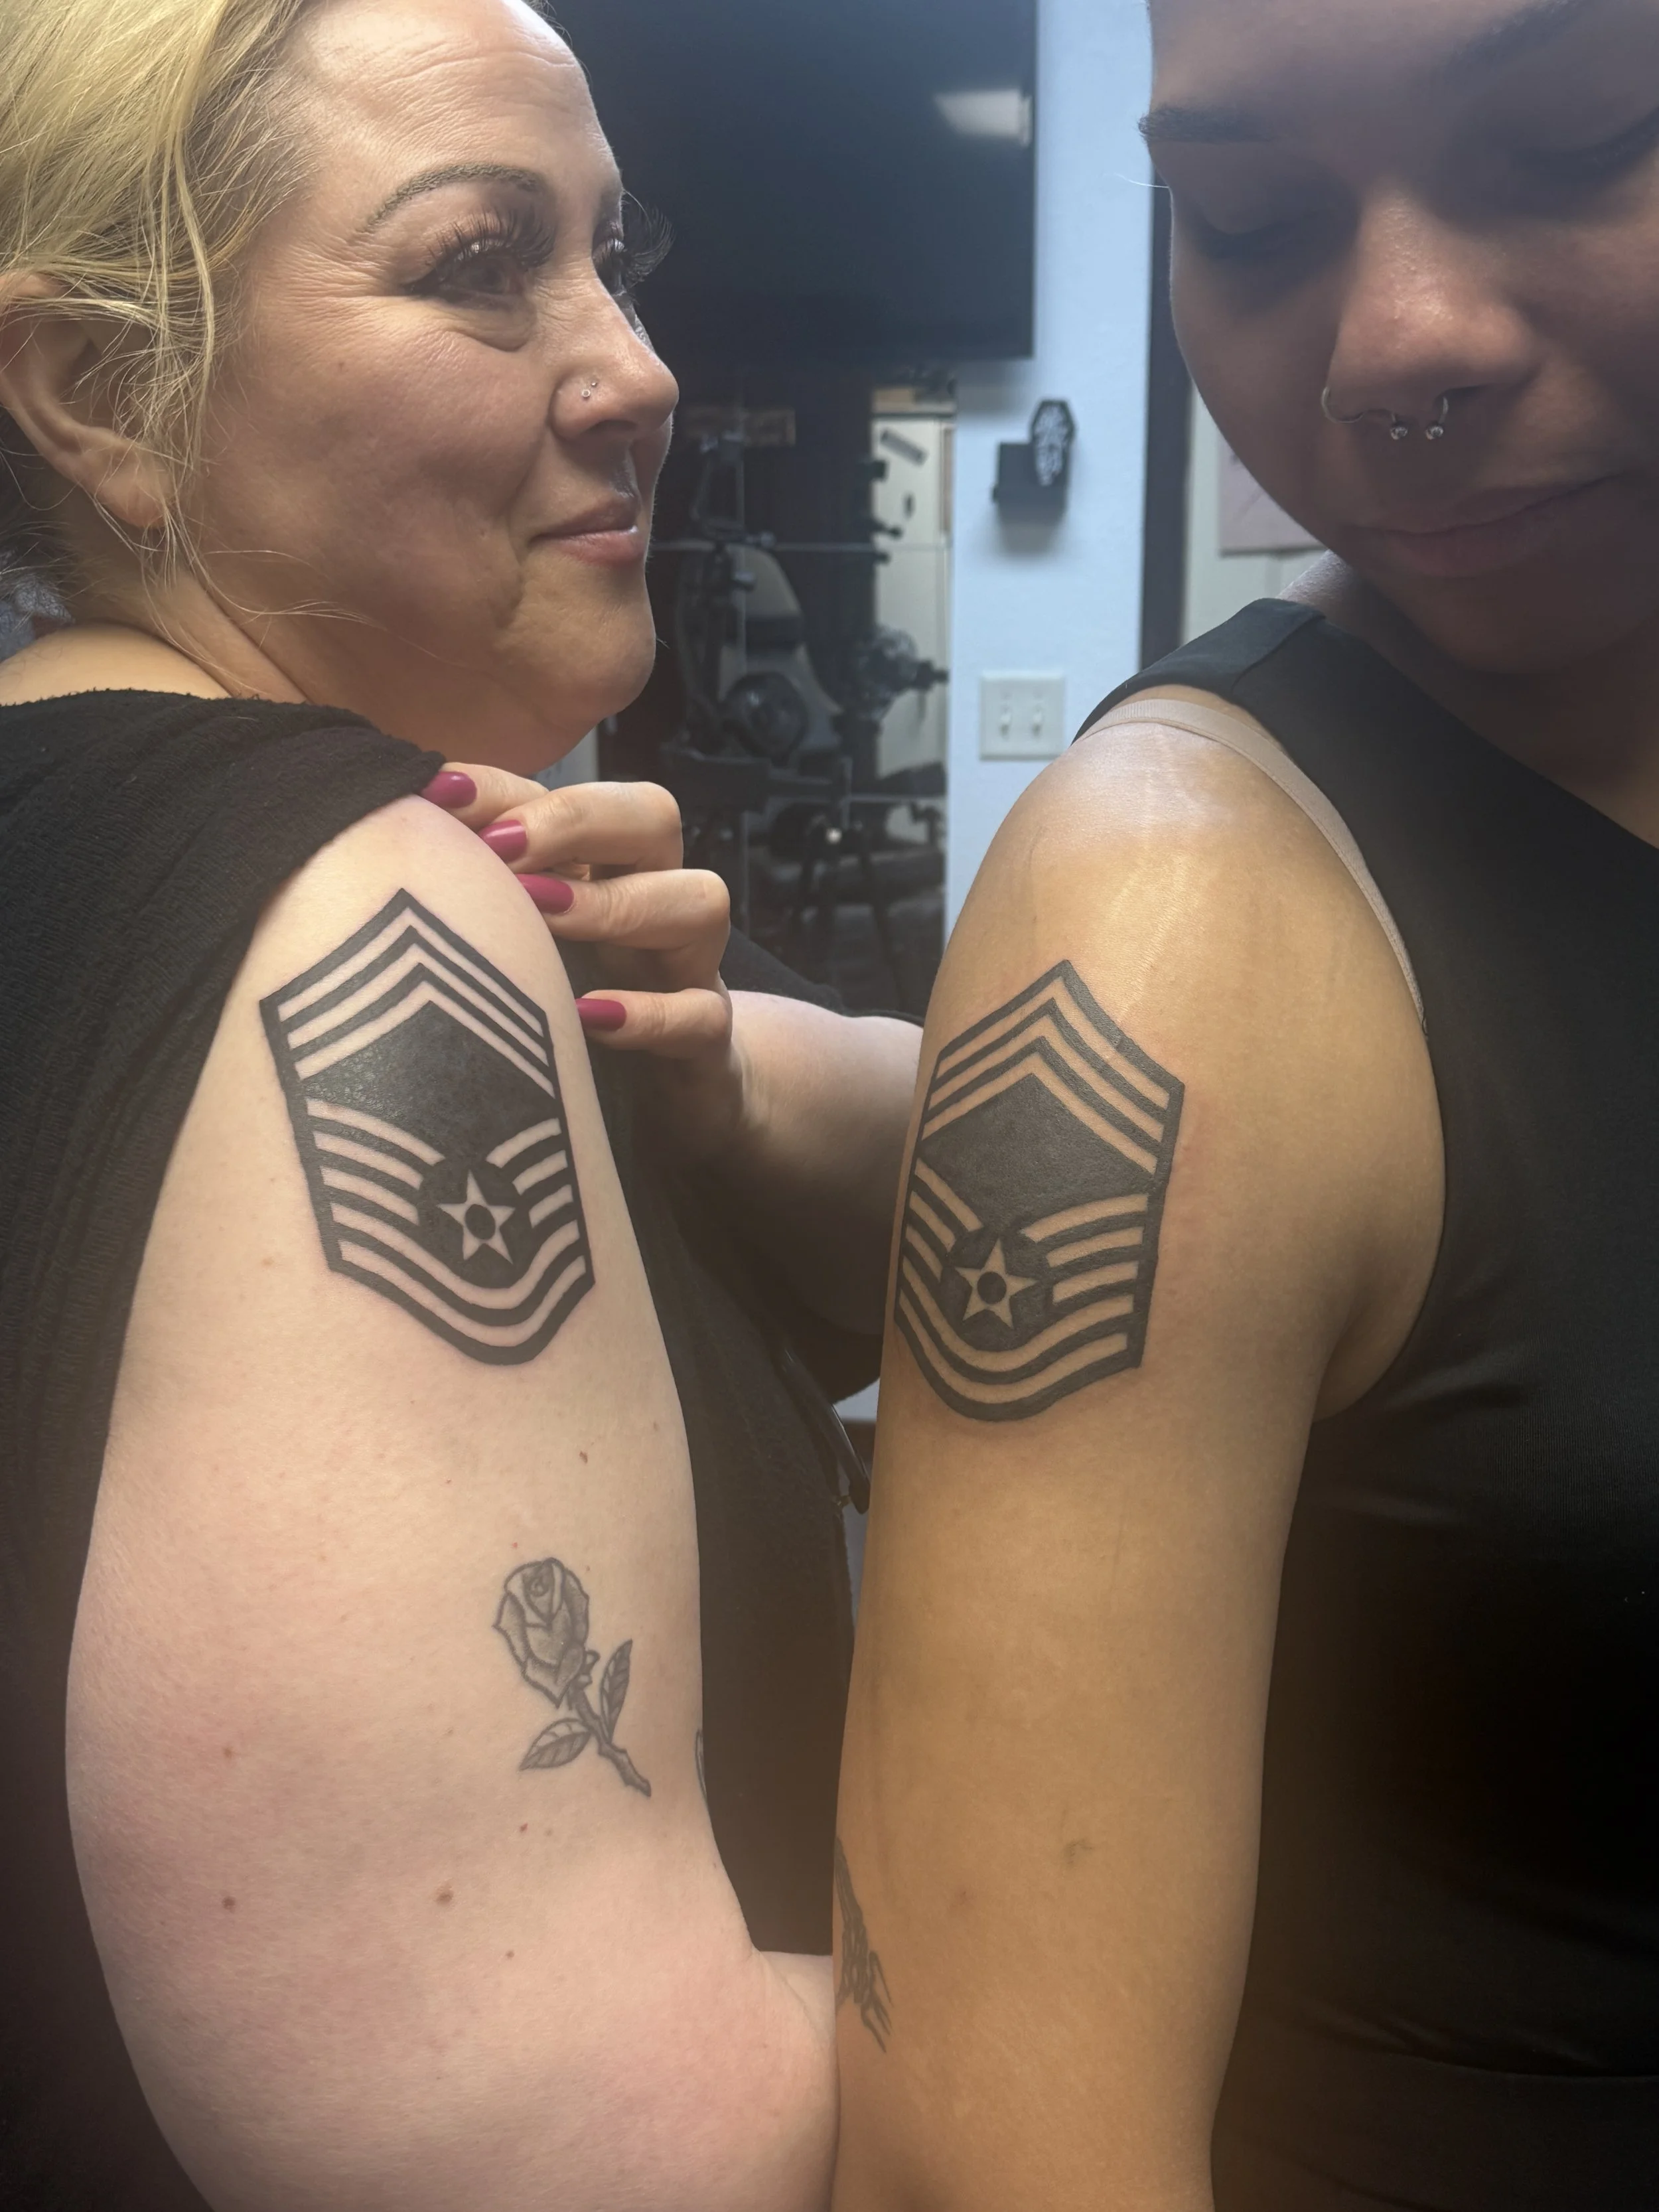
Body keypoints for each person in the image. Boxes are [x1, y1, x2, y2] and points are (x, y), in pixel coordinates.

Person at [0, 0, 920, 2203]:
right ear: (108, 394)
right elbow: (586, 2155)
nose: (635, 367)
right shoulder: (360, 912)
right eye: (478, 260)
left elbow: (943, 1138)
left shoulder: (102, 834)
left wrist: (706, 1088)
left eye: (616, 252)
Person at [832, 0, 1659, 2207]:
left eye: (1580, 141)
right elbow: (987, 2160)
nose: (1394, 342)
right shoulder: (1172, 915)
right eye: (1247, 214)